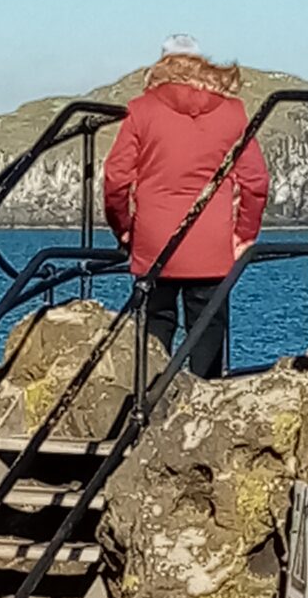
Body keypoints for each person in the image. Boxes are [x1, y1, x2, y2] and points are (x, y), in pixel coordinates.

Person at [101, 37, 270, 381]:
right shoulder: (232, 111)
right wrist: (244, 235)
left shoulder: (141, 110)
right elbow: (256, 182)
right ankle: (203, 402)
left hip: (154, 242)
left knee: (156, 325)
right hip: (211, 242)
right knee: (207, 325)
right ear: (203, 65)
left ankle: (148, 404)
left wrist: (122, 227)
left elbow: (116, 179)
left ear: (162, 65)